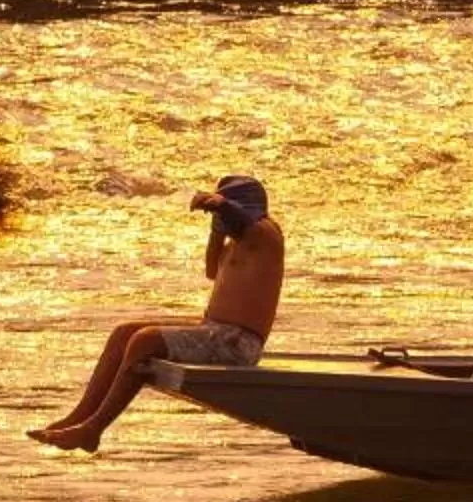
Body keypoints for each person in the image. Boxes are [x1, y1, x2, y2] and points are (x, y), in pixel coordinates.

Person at [29, 173, 284, 452]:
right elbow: (212, 270)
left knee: (145, 340)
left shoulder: (266, 233)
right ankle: (79, 418)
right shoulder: (235, 243)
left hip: (239, 342)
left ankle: (94, 429)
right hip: (215, 330)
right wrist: (216, 228)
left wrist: (220, 205)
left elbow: (243, 219)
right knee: (125, 333)